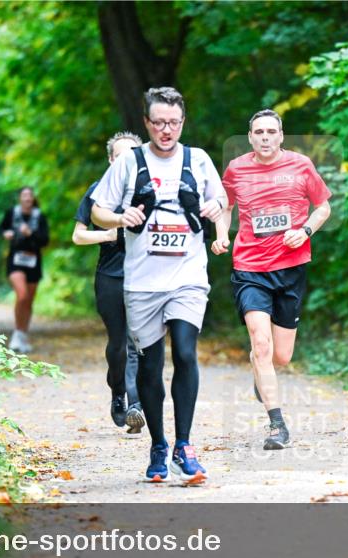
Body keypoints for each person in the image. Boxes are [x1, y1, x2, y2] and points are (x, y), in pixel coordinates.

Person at [91, 86, 227, 484]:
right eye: (159, 122)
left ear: (183, 122)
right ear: (147, 123)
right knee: (150, 368)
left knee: (185, 351)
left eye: (174, 122)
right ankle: (158, 445)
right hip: (142, 283)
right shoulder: (128, 163)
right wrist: (121, 218)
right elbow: (97, 211)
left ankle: (184, 445)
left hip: (187, 277)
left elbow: (222, 201)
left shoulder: (197, 160)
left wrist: (217, 208)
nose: (167, 130)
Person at [212, 109, 332, 450]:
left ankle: (260, 368)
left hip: (290, 268)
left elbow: (324, 207)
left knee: (281, 357)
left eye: (271, 132)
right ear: (250, 137)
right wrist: (221, 234)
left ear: (281, 136)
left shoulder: (301, 165)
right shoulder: (236, 169)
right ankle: (277, 425)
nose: (265, 137)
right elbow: (225, 207)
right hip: (249, 267)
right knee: (261, 344)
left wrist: (305, 230)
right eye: (259, 132)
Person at [72, 131, 146, 435]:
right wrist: (107, 234)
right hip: (110, 276)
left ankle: (135, 405)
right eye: (120, 155)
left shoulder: (149, 190)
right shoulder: (98, 191)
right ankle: (117, 391)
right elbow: (78, 235)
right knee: (118, 344)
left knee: (136, 342)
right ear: (111, 160)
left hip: (144, 276)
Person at [0, 186, 49, 353]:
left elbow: (45, 240)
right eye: (24, 195)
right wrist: (6, 233)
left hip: (33, 261)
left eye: (30, 195)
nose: (27, 198)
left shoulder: (39, 216)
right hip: (16, 261)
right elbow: (1, 229)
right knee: (22, 295)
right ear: (20, 198)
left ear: (33, 198)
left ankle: (23, 335)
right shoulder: (12, 213)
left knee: (29, 300)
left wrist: (30, 234)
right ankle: (17, 333)